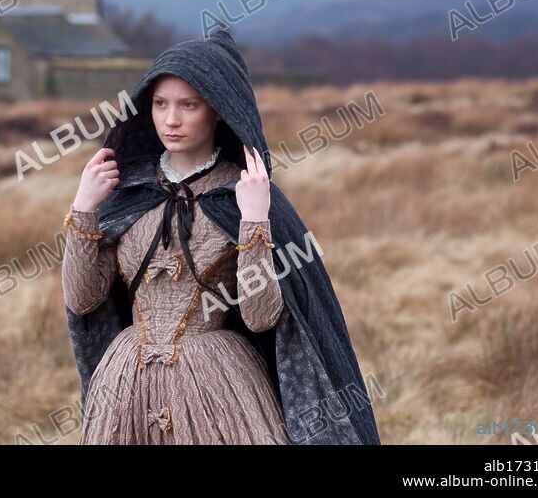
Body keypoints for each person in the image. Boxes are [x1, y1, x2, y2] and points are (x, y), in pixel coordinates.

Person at [61, 28, 381, 445]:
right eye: (160, 104)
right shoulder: (127, 191)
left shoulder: (246, 192)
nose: (170, 119)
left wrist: (253, 222)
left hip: (218, 390)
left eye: (188, 105)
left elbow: (261, 316)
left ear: (216, 110)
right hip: (125, 387)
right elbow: (83, 299)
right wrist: (84, 210)